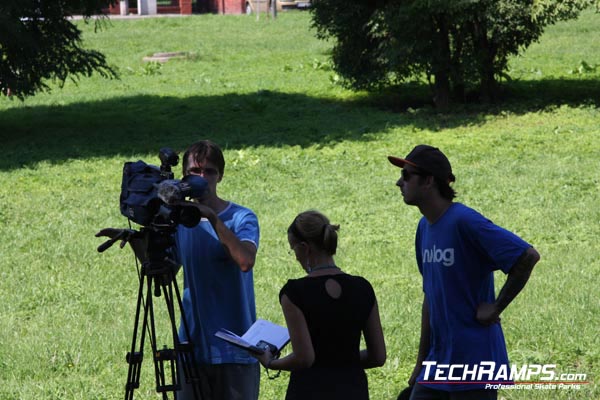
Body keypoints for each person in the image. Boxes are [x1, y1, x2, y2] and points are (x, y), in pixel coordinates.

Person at [387, 145, 541, 400]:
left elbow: (527, 256)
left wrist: (496, 306)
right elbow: (431, 296)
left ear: (428, 181)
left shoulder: (464, 221)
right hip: (438, 360)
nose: (398, 182)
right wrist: (421, 361)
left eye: (406, 176)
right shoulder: (424, 228)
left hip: (473, 358)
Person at [254, 210, 386, 400]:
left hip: (310, 391)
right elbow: (378, 356)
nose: (295, 256)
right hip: (353, 390)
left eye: (294, 249)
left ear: (305, 248)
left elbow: (304, 358)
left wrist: (271, 362)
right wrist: (343, 362)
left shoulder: (295, 292)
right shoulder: (362, 287)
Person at [175, 140, 261, 400]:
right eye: (195, 171)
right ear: (184, 176)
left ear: (220, 175)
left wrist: (211, 217)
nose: (202, 178)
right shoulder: (179, 222)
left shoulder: (242, 217)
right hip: (192, 346)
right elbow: (163, 272)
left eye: (209, 171)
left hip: (235, 349)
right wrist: (139, 240)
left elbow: (245, 260)